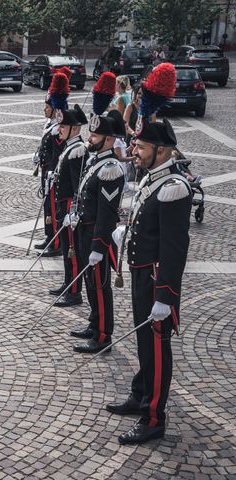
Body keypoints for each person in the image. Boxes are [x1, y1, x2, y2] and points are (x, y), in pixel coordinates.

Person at [105, 63, 190, 445]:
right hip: (141, 272)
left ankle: (154, 415)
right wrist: (127, 232)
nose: (133, 151)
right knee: (143, 342)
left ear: (161, 150)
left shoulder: (174, 187)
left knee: (156, 344)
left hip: (157, 279)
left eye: (140, 146)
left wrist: (166, 295)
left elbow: (175, 248)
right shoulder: (153, 179)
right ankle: (141, 393)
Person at [69, 89, 126, 354]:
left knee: (101, 287)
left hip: (97, 234)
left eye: (94, 135)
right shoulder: (97, 161)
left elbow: (107, 213)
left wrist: (99, 245)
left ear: (109, 139)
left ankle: (103, 335)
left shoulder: (111, 168)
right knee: (91, 284)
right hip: (84, 229)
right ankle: (94, 323)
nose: (89, 138)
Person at [50, 102, 89, 307]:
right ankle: (68, 283)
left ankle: (74, 291)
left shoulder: (78, 150)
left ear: (75, 128)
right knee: (66, 249)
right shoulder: (70, 147)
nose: (60, 130)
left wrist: (74, 210)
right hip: (62, 205)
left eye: (63, 127)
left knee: (72, 250)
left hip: (69, 206)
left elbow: (78, 186)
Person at [33, 73, 69, 257]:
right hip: (45, 171)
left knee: (53, 208)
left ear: (55, 110)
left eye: (47, 107)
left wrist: (52, 173)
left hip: (52, 173)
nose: (44, 110)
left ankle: (56, 243)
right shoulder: (50, 126)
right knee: (48, 207)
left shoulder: (57, 130)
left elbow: (57, 155)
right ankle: (49, 237)